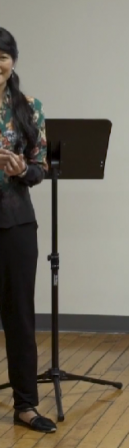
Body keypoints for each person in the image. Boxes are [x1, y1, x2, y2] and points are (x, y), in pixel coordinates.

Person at [0, 28, 57, 433]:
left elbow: (42, 167)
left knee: (19, 316)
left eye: (2, 56)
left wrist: (23, 169)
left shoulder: (28, 108)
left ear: (13, 61)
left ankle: (25, 405)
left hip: (15, 222)